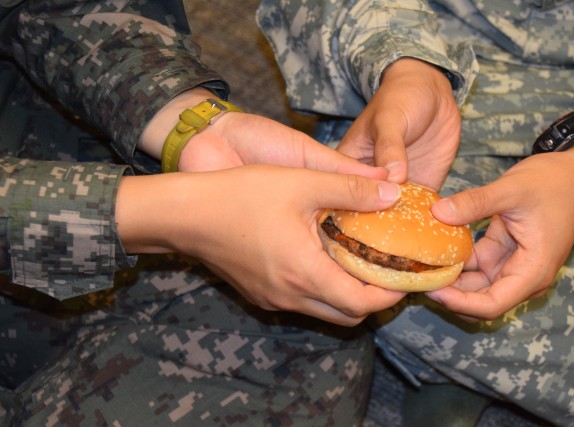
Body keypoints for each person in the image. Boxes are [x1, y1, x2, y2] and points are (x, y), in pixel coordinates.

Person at [0, 1, 409, 425]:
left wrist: (194, 123)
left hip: (31, 151)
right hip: (50, 208)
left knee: (307, 338)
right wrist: (167, 215)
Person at [257, 0, 574, 425]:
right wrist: (404, 62)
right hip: (430, 65)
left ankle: (455, 365)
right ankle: (458, 365)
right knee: (324, 256)